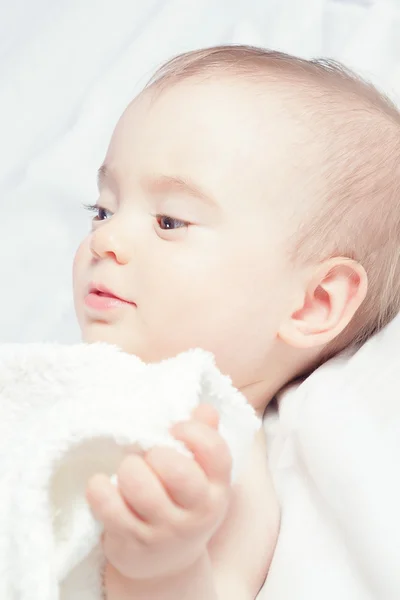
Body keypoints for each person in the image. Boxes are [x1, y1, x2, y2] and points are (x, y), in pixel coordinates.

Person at [73, 45, 400, 599]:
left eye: (169, 220)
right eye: (103, 209)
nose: (104, 239)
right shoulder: (72, 376)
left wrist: (160, 566)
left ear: (312, 304)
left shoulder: (221, 453)